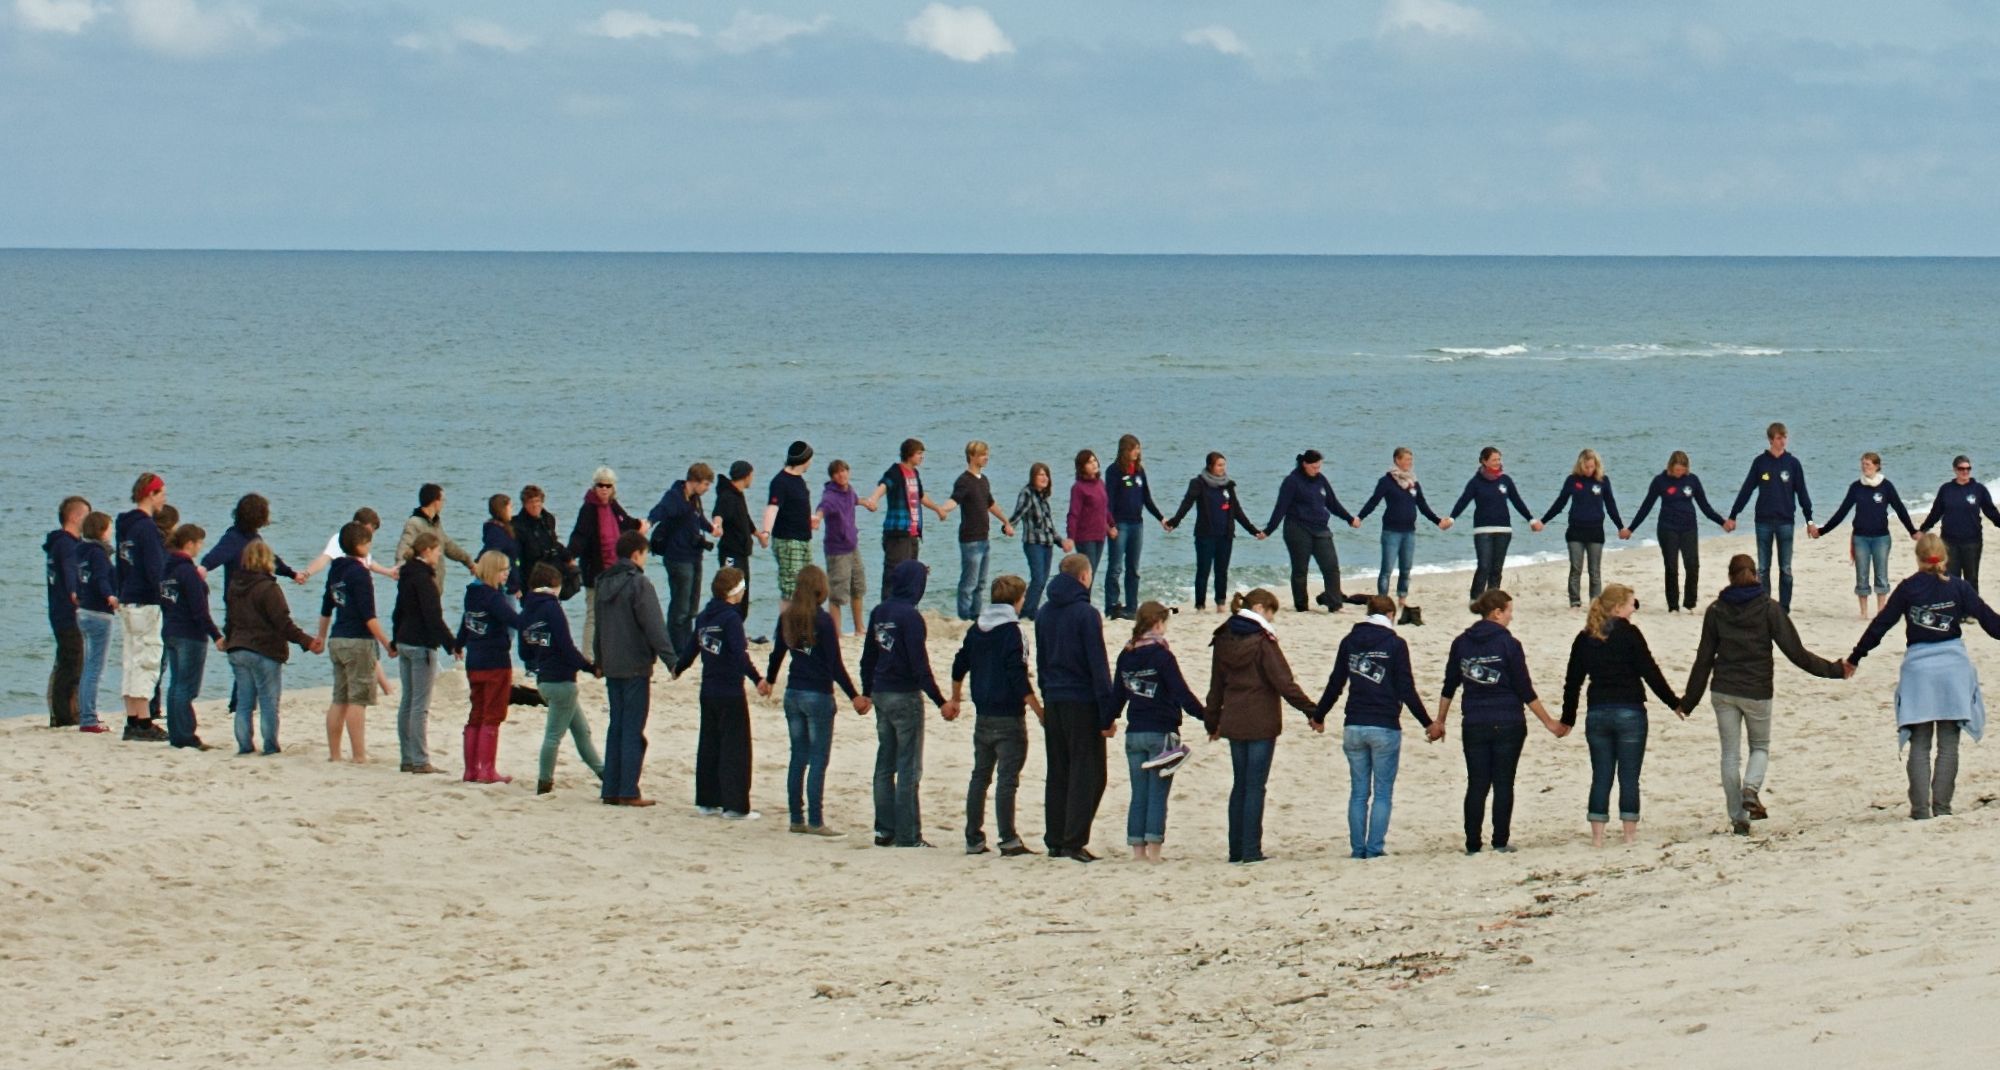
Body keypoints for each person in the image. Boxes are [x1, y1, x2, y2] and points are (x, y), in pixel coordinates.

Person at [1679, 554, 1848, 835]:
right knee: (1760, 747)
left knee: (1729, 755)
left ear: (1730, 576)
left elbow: (1704, 659)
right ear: (1756, 574)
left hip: (1723, 691)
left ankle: (1738, 819)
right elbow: (1797, 653)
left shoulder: (1716, 610)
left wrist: (1688, 702)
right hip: (1757, 691)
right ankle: (1751, 788)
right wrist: (1835, 670)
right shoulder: (1769, 608)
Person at [1848, 533, 2000, 820]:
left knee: (1919, 744)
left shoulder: (1908, 588)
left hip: (1919, 670)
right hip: (1953, 669)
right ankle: (1942, 808)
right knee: (1948, 744)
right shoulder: (1959, 587)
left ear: (1918, 559)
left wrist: (1855, 658)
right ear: (1944, 558)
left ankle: (1920, 811)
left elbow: (1880, 626)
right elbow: (1992, 623)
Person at [1434, 590, 1567, 855]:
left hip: (1475, 721)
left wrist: (1440, 720)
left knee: (1477, 783)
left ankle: (1473, 844)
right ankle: (1500, 841)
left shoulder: (1462, 643)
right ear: (1497, 613)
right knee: (1504, 782)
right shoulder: (1509, 644)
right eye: (1509, 611)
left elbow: (1450, 686)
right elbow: (1524, 689)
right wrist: (1549, 722)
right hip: (1508, 720)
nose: (1511, 616)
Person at [1314, 594, 1433, 859]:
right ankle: (1374, 848)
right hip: (1384, 725)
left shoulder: (1350, 641)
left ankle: (1358, 849)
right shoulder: (1395, 643)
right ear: (1391, 615)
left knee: (1358, 792)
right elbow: (1406, 688)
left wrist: (1319, 715)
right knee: (1381, 792)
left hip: (1354, 723)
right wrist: (1427, 723)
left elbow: (1336, 683)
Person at [1204, 588, 1317, 864]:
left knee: (1239, 784)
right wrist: (1313, 711)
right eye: (1270, 612)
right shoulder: (1263, 640)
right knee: (1255, 786)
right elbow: (1284, 682)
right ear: (1259, 608)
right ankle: (1251, 849)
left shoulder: (1222, 637)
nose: (1272, 618)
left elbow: (1215, 685)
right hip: (1261, 720)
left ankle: (1236, 850)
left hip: (1232, 717)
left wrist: (1212, 721)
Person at [1562, 584, 1681, 847]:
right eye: (1631, 604)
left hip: (1598, 713)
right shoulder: (1631, 634)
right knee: (1629, 776)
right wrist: (1674, 703)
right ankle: (1628, 836)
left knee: (1601, 774)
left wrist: (1567, 720)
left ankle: (1597, 838)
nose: (1633, 609)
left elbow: (1573, 682)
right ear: (1618, 608)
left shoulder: (1585, 637)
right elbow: (1650, 672)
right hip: (1630, 711)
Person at [765, 563, 868, 837]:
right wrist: (855, 696)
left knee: (798, 756)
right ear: (820, 590)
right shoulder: (822, 621)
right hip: (818, 694)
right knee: (818, 758)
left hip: (793, 693)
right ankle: (816, 820)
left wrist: (770, 680)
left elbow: (777, 653)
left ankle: (796, 818)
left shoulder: (787, 617)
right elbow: (835, 664)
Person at [861, 560, 957, 847]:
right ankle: (908, 835)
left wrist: (867, 691)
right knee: (908, 767)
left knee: (884, 762)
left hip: (881, 693)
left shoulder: (880, 611)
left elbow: (868, 657)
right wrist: (940, 700)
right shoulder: (911, 617)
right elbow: (919, 665)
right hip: (904, 695)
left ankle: (884, 829)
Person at [950, 574, 1043, 857]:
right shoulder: (1014, 632)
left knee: (980, 775)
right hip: (1009, 715)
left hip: (983, 714)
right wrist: (1038, 710)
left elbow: (959, 663)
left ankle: (973, 837)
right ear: (1017, 600)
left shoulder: (976, 630)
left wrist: (955, 697)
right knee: (1007, 778)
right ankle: (1008, 838)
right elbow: (1018, 675)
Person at [1037, 553, 1117, 862]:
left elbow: (1042, 660)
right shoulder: (1086, 613)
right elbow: (1097, 664)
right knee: (1089, 773)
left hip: (1055, 698)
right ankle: (1073, 840)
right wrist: (1107, 712)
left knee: (1059, 770)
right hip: (1081, 700)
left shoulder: (1044, 612)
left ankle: (1056, 838)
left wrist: (1046, 695)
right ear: (1084, 577)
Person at [1109, 601, 1204, 862]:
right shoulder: (1162, 655)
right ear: (1158, 624)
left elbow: (1117, 694)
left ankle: (1137, 850)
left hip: (1134, 733)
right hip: (1160, 731)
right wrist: (1207, 717)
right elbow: (1181, 692)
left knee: (1138, 793)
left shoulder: (1126, 653)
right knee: (1157, 794)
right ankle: (1154, 851)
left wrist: (1107, 721)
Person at [673, 566, 765, 820]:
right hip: (730, 691)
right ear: (733, 592)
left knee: (710, 745)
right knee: (735, 747)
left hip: (709, 690)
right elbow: (739, 654)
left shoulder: (704, 617)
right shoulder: (731, 619)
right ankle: (735, 806)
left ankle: (707, 801)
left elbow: (692, 647)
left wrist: (677, 668)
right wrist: (758, 679)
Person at [594, 530, 677, 806]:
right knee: (632, 728)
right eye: (644, 554)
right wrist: (671, 660)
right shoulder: (639, 584)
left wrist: (599, 659)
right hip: (635, 664)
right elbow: (654, 625)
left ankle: (611, 789)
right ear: (636, 555)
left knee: (616, 726)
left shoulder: (602, 582)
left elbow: (599, 626)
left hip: (612, 664)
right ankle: (628, 789)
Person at [222, 540, 319, 756]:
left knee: (244, 702)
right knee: (268, 701)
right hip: (264, 650)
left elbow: (230, 619)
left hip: (238, 648)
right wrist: (307, 642)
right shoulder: (269, 589)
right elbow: (283, 624)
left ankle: (245, 745)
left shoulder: (234, 586)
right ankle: (270, 746)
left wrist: (227, 640)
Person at [316, 520, 396, 764]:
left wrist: (321, 636)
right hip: (357, 640)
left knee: (339, 697)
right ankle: (359, 754)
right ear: (362, 545)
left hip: (337, 638)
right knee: (357, 699)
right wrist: (386, 642)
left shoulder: (336, 570)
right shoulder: (360, 574)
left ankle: (335, 754)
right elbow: (368, 615)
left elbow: (326, 608)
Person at [519, 562, 602, 796]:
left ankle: (603, 772)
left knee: (581, 731)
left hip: (544, 680)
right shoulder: (552, 608)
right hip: (562, 682)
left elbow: (525, 652)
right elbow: (566, 646)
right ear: (552, 585)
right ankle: (544, 783)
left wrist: (541, 656)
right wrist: (589, 667)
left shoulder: (526, 610)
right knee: (553, 736)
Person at [1725, 422, 1815, 612]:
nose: (1782, 441)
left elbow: (1802, 493)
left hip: (1785, 522)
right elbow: (1747, 489)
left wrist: (1809, 520)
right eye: (1778, 438)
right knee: (1763, 569)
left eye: (1784, 437)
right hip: (1763, 522)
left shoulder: (1793, 464)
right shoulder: (1760, 462)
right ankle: (1764, 605)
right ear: (1771, 440)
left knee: (1786, 569)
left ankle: (1783, 608)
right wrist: (1734, 514)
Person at [1625, 451, 1728, 613]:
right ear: (1671, 467)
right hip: (1667, 528)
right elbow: (1646, 506)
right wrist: (1631, 528)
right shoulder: (1660, 481)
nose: (1679, 473)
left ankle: (1689, 603)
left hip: (1689, 528)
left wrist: (1722, 522)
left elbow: (1705, 507)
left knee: (1692, 565)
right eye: (1677, 470)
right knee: (1671, 567)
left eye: (1682, 470)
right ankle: (1673, 605)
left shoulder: (1692, 480)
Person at [1818, 452, 1918, 618]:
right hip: (1860, 538)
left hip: (1881, 538)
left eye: (1868, 464)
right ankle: (1863, 612)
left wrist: (1912, 531)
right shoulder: (1856, 487)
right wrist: (1822, 531)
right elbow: (1842, 511)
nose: (1865, 467)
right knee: (1862, 574)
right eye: (1863, 464)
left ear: (1877, 466)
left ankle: (1880, 611)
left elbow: (1900, 509)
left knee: (1881, 574)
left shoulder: (1886, 486)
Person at [389, 533, 457, 774]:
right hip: (420, 644)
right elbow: (432, 617)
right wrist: (452, 644)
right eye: (437, 551)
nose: (439, 556)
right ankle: (419, 760)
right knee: (420, 704)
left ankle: (407, 757)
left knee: (408, 701)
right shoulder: (424, 580)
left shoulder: (407, 576)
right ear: (427, 551)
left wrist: (394, 639)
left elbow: (398, 611)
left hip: (405, 640)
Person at [1264, 449, 1361, 614]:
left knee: (1331, 566)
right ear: (1305, 464)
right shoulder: (1292, 481)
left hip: (1321, 529)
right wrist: (1268, 530)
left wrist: (1349, 519)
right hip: (1297, 529)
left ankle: (1335, 604)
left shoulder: (1321, 480)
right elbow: (1281, 507)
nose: (1317, 470)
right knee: (1301, 570)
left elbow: (1332, 503)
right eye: (1314, 467)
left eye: (1319, 467)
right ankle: (1301, 606)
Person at [1166, 452, 1264, 614]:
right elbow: (1187, 504)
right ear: (1210, 466)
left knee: (1222, 571)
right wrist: (1174, 522)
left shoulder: (1228, 486)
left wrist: (1253, 531)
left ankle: (1220, 603)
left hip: (1225, 535)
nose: (1222, 468)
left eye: (1224, 465)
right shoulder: (1198, 483)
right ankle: (1200, 605)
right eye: (1219, 465)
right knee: (1203, 570)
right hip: (1205, 535)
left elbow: (1237, 511)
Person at [1356, 447, 1450, 616]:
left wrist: (1438, 521)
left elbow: (1422, 505)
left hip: (1409, 532)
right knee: (1387, 570)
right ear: (1397, 460)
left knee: (1406, 569)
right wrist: (1359, 517)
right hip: (1391, 531)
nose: (1409, 463)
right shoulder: (1386, 481)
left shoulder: (1413, 482)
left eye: (1410, 460)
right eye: (1406, 460)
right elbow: (1373, 501)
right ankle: (1382, 601)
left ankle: (1402, 599)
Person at [458, 550, 524, 785]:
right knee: (492, 714)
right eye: (504, 570)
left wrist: (458, 645)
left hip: (474, 661)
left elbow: (466, 623)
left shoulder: (472, 595)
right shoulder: (493, 597)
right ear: (493, 570)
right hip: (495, 661)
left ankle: (471, 770)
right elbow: (514, 621)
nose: (507, 574)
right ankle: (486, 770)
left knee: (476, 713)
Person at [115, 473, 171, 742]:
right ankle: (144, 720)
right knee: (148, 659)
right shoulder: (147, 528)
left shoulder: (125, 526)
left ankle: (132, 717)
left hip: (127, 598)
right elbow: (154, 569)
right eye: (161, 493)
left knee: (131, 659)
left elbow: (122, 563)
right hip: (146, 600)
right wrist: (166, 595)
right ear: (150, 494)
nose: (164, 498)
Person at [567, 467, 645, 657]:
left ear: (613, 488)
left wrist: (641, 525)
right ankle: (588, 656)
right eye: (600, 485)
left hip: (616, 571)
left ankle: (613, 652)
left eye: (607, 486)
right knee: (594, 614)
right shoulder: (588, 509)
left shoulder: (613, 505)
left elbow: (625, 521)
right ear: (594, 487)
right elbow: (580, 535)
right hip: (595, 571)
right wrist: (569, 557)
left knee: (617, 613)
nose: (604, 489)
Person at [864, 438, 952, 602]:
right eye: (919, 453)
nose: (921, 457)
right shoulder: (895, 471)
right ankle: (887, 608)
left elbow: (921, 496)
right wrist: (873, 499)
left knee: (911, 574)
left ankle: (907, 608)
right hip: (897, 532)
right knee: (894, 573)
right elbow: (884, 485)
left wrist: (938, 509)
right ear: (909, 454)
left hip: (913, 533)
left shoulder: (914, 474)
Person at [1449, 447, 1540, 605]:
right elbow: (1463, 501)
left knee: (1496, 568)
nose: (1498, 462)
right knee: (1484, 565)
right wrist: (1451, 518)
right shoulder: (1475, 482)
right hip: (1482, 530)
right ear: (1484, 461)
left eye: (1499, 459)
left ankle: (1492, 599)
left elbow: (1517, 501)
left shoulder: (1505, 480)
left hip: (1503, 530)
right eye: (1494, 460)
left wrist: (1531, 519)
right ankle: (1475, 598)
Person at [159, 524, 221, 751]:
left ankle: (177, 733)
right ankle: (185, 734)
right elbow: (199, 610)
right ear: (189, 544)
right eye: (198, 544)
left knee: (176, 684)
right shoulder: (187, 572)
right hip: (189, 633)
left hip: (171, 630)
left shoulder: (166, 570)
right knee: (187, 687)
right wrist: (216, 635)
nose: (199, 549)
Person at [650, 462, 721, 657]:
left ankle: (688, 644)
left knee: (691, 606)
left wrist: (711, 529)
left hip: (694, 555)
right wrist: (648, 522)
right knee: (680, 606)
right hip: (677, 558)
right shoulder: (674, 496)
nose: (707, 489)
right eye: (706, 484)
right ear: (695, 481)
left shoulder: (695, 499)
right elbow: (659, 510)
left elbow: (699, 519)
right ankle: (676, 647)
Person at [1540, 449, 1624, 609]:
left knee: (1594, 571)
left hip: (1595, 531)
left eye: (1592, 466)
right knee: (1576, 568)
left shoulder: (1603, 481)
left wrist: (1620, 527)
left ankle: (1595, 602)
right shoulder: (1572, 480)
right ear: (1580, 465)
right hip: (1575, 531)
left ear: (1596, 465)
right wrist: (1544, 521)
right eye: (1586, 467)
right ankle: (1575, 601)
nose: (1589, 470)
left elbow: (1611, 505)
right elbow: (1560, 503)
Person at [950, 440, 1015, 621]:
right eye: (982, 455)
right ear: (972, 456)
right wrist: (942, 509)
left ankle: (976, 616)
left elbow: (990, 504)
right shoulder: (963, 481)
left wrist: (1005, 521)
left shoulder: (983, 480)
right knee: (968, 584)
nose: (986, 458)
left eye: (987, 454)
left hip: (984, 538)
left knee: (981, 583)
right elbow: (954, 500)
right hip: (970, 539)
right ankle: (963, 618)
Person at [1103, 434, 1165, 621]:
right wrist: (1110, 525)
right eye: (1133, 448)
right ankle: (1112, 606)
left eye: (1138, 448)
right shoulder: (1113, 471)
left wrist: (1161, 518)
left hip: (1137, 523)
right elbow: (1109, 502)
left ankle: (1131, 606)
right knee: (1115, 567)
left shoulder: (1139, 471)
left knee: (1133, 568)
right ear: (1124, 450)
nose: (1137, 452)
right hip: (1120, 524)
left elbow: (1146, 498)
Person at [1918, 455, 2000, 592]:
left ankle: (1971, 608)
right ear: (1955, 470)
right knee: (1950, 577)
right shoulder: (1946, 489)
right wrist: (1923, 529)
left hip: (1972, 542)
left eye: (1968, 469)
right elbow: (1936, 512)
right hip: (1949, 542)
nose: (1965, 472)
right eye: (1961, 469)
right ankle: (1953, 609)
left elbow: (1991, 512)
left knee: (1971, 578)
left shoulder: (1979, 489)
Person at [815, 459, 876, 636]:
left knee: (858, 588)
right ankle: (836, 633)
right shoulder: (830, 496)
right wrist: (817, 518)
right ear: (833, 477)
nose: (842, 475)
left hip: (852, 546)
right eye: (837, 473)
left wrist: (866, 503)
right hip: (837, 551)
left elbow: (855, 500)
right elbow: (822, 508)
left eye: (844, 471)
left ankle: (859, 628)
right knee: (837, 594)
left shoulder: (849, 490)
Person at [44, 496, 87, 728]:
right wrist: (75, 594)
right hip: (68, 612)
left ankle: (65, 712)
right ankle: (64, 715)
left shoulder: (57, 543)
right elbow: (71, 572)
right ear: (75, 517)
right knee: (72, 662)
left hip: (59, 611)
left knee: (67, 660)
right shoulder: (67, 545)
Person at [201, 493, 303, 589]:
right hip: (239, 599)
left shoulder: (254, 538)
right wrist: (204, 567)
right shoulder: (233, 539)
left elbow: (271, 560)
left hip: (252, 596)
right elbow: (215, 556)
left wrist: (292, 574)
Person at [75, 511, 118, 734]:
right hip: (98, 613)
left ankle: (85, 714)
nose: (111, 532)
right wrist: (110, 596)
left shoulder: (80, 550)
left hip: (82, 611)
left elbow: (80, 578)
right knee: (95, 668)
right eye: (109, 527)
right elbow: (101, 578)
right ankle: (89, 718)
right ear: (102, 530)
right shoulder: (99, 554)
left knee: (88, 665)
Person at [762, 441, 819, 612]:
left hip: (804, 539)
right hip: (787, 540)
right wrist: (766, 532)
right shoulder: (780, 482)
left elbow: (795, 506)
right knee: (790, 588)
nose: (811, 462)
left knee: (807, 584)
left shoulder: (799, 481)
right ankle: (786, 631)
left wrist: (809, 518)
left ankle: (802, 626)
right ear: (804, 460)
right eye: (809, 458)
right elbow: (773, 508)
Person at [1008, 461, 1065, 620]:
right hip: (1033, 543)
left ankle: (1030, 611)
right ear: (1033, 477)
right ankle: (1026, 612)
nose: (1044, 477)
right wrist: (1008, 526)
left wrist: (1061, 542)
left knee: (1042, 580)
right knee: (1038, 578)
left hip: (1047, 544)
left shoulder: (1043, 498)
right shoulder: (1027, 493)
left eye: (1046, 474)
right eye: (1040, 474)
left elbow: (1049, 526)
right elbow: (1017, 514)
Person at [395, 483, 477, 588]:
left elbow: (448, 546)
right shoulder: (414, 523)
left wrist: (469, 562)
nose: (443, 504)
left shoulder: (436, 523)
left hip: (435, 587)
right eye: (442, 500)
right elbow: (402, 552)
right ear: (435, 501)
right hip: (420, 587)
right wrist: (404, 575)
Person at [714, 460, 762, 625]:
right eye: (752, 475)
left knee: (743, 592)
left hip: (741, 553)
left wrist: (758, 535)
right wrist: (717, 525)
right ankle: (726, 627)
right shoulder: (727, 496)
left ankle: (737, 627)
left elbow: (745, 520)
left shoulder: (738, 494)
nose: (752, 478)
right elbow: (719, 513)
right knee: (730, 591)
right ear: (746, 476)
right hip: (730, 553)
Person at [300, 508, 398, 582]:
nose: (371, 534)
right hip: (347, 585)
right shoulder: (341, 538)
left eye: (373, 530)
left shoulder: (362, 543)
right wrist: (307, 573)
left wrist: (388, 572)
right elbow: (325, 558)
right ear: (357, 524)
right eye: (370, 529)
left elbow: (369, 562)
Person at [513, 485, 572, 600]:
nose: (535, 505)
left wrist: (569, 557)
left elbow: (554, 543)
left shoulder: (548, 519)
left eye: (537, 501)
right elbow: (516, 557)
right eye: (531, 502)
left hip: (552, 574)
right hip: (530, 576)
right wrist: (516, 584)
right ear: (524, 504)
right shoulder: (517, 525)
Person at [1066, 449, 1112, 587]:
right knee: (1085, 575)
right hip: (1085, 537)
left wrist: (1112, 525)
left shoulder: (1100, 483)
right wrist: (1070, 537)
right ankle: (1081, 605)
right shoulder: (1078, 488)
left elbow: (1104, 508)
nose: (1093, 464)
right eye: (1089, 462)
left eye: (1094, 460)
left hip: (1100, 535)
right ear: (1082, 467)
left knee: (1092, 574)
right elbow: (1073, 514)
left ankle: (1084, 603)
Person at [480, 494, 523, 597]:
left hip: (510, 582)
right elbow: (493, 556)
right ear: (503, 509)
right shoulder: (496, 532)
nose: (512, 510)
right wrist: (513, 587)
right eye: (510, 507)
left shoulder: (504, 528)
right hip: (504, 586)